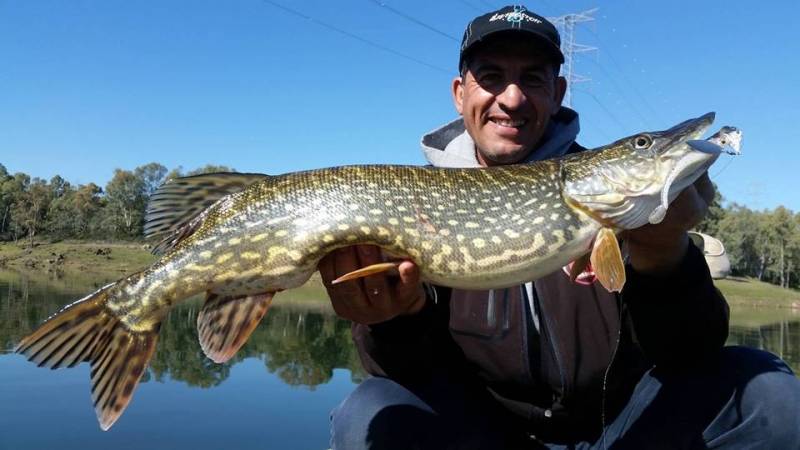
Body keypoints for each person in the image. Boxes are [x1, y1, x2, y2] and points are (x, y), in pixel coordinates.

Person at [321, 5, 800, 449]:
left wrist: (664, 255)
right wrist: (392, 320)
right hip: (487, 431)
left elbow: (689, 353)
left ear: (557, 94)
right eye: (490, 77)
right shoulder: (419, 203)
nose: (511, 98)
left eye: (533, 78)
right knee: (369, 411)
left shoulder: (618, 210)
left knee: (770, 395)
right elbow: (406, 372)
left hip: (624, 426)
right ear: (459, 92)